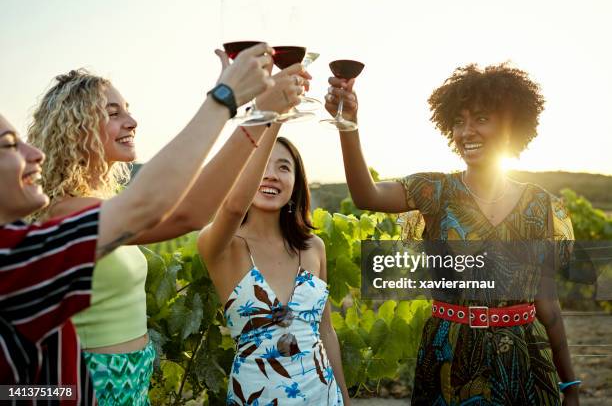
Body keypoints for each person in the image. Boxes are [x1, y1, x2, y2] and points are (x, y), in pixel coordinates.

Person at [25, 50, 308, 404]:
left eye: (127, 108)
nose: (131, 121)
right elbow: (184, 214)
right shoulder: (64, 211)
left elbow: (191, 201)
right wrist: (244, 110)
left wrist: (263, 116)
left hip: (127, 384)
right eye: (113, 113)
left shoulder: (100, 204)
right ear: (75, 127)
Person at [324, 63, 579, 405]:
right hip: (449, 356)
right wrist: (348, 125)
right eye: (458, 121)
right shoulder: (435, 191)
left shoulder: (541, 206)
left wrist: (570, 387)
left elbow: (548, 305)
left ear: (510, 125)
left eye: (481, 119)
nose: (466, 131)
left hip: (524, 361)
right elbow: (366, 195)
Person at [198, 131, 350, 404]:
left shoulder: (314, 247)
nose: (271, 175)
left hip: (323, 396)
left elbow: (325, 331)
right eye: (261, 164)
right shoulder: (222, 246)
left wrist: (345, 399)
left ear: (295, 182)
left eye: (283, 167)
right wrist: (274, 116)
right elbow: (233, 209)